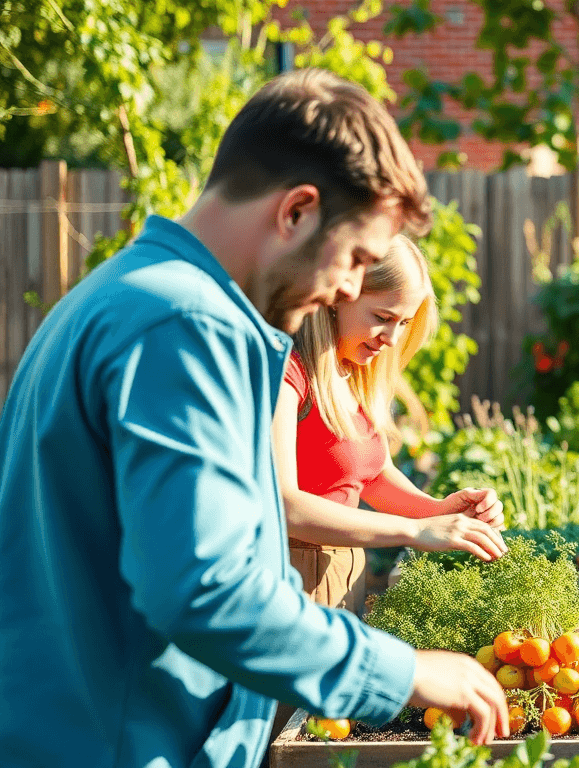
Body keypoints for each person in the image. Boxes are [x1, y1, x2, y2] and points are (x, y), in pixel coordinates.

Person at [0, 70, 508, 767]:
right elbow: (204, 590)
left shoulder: (117, 295)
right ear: (296, 211)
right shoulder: (184, 327)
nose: (348, 289)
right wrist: (401, 671)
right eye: (355, 258)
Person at [277, 234, 506, 613]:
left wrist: (441, 511)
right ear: (339, 296)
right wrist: (415, 530)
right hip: (290, 576)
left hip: (342, 570)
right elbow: (286, 506)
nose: (392, 338)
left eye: (404, 322)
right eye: (383, 318)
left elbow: (373, 477)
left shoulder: (354, 371)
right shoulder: (289, 372)